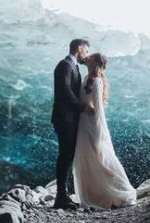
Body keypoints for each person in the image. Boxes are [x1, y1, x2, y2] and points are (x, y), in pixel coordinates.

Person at [73, 52, 137, 209]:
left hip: (91, 125)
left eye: (91, 57)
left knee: (100, 159)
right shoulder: (85, 79)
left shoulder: (97, 82)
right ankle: (94, 194)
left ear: (95, 63)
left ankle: (119, 191)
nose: (87, 58)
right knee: (86, 159)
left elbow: (99, 110)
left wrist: (99, 131)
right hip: (82, 124)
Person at [51, 37, 90, 209]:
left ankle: (63, 193)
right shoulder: (65, 65)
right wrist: (81, 107)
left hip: (69, 119)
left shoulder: (73, 67)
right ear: (80, 48)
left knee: (67, 155)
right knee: (65, 155)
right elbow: (64, 90)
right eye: (86, 51)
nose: (86, 55)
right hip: (64, 118)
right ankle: (60, 196)